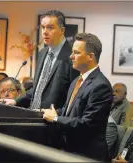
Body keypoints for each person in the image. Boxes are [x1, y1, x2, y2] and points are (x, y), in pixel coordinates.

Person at [42, 33, 113, 161]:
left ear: (90, 57)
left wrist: (56, 118)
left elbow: (87, 124)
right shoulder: (76, 81)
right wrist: (53, 112)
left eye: (76, 53)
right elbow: (69, 111)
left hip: (88, 156)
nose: (71, 56)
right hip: (70, 152)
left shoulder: (101, 86)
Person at [0, 10, 79, 111]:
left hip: (53, 120)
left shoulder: (73, 56)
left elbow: (74, 97)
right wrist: (16, 101)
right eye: (43, 27)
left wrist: (56, 114)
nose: (44, 32)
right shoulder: (42, 53)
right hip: (33, 114)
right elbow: (37, 89)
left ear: (62, 30)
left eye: (50, 27)